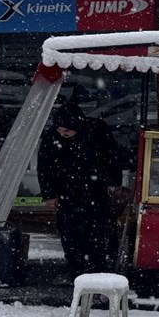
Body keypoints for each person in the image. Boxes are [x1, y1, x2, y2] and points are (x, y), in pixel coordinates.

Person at [37, 102, 124, 280]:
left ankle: (98, 270)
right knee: (70, 234)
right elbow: (44, 166)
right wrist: (49, 194)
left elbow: (112, 157)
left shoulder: (97, 130)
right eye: (60, 130)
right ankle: (78, 270)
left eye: (67, 131)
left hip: (95, 191)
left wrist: (113, 182)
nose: (63, 134)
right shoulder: (51, 136)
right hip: (66, 193)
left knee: (98, 233)